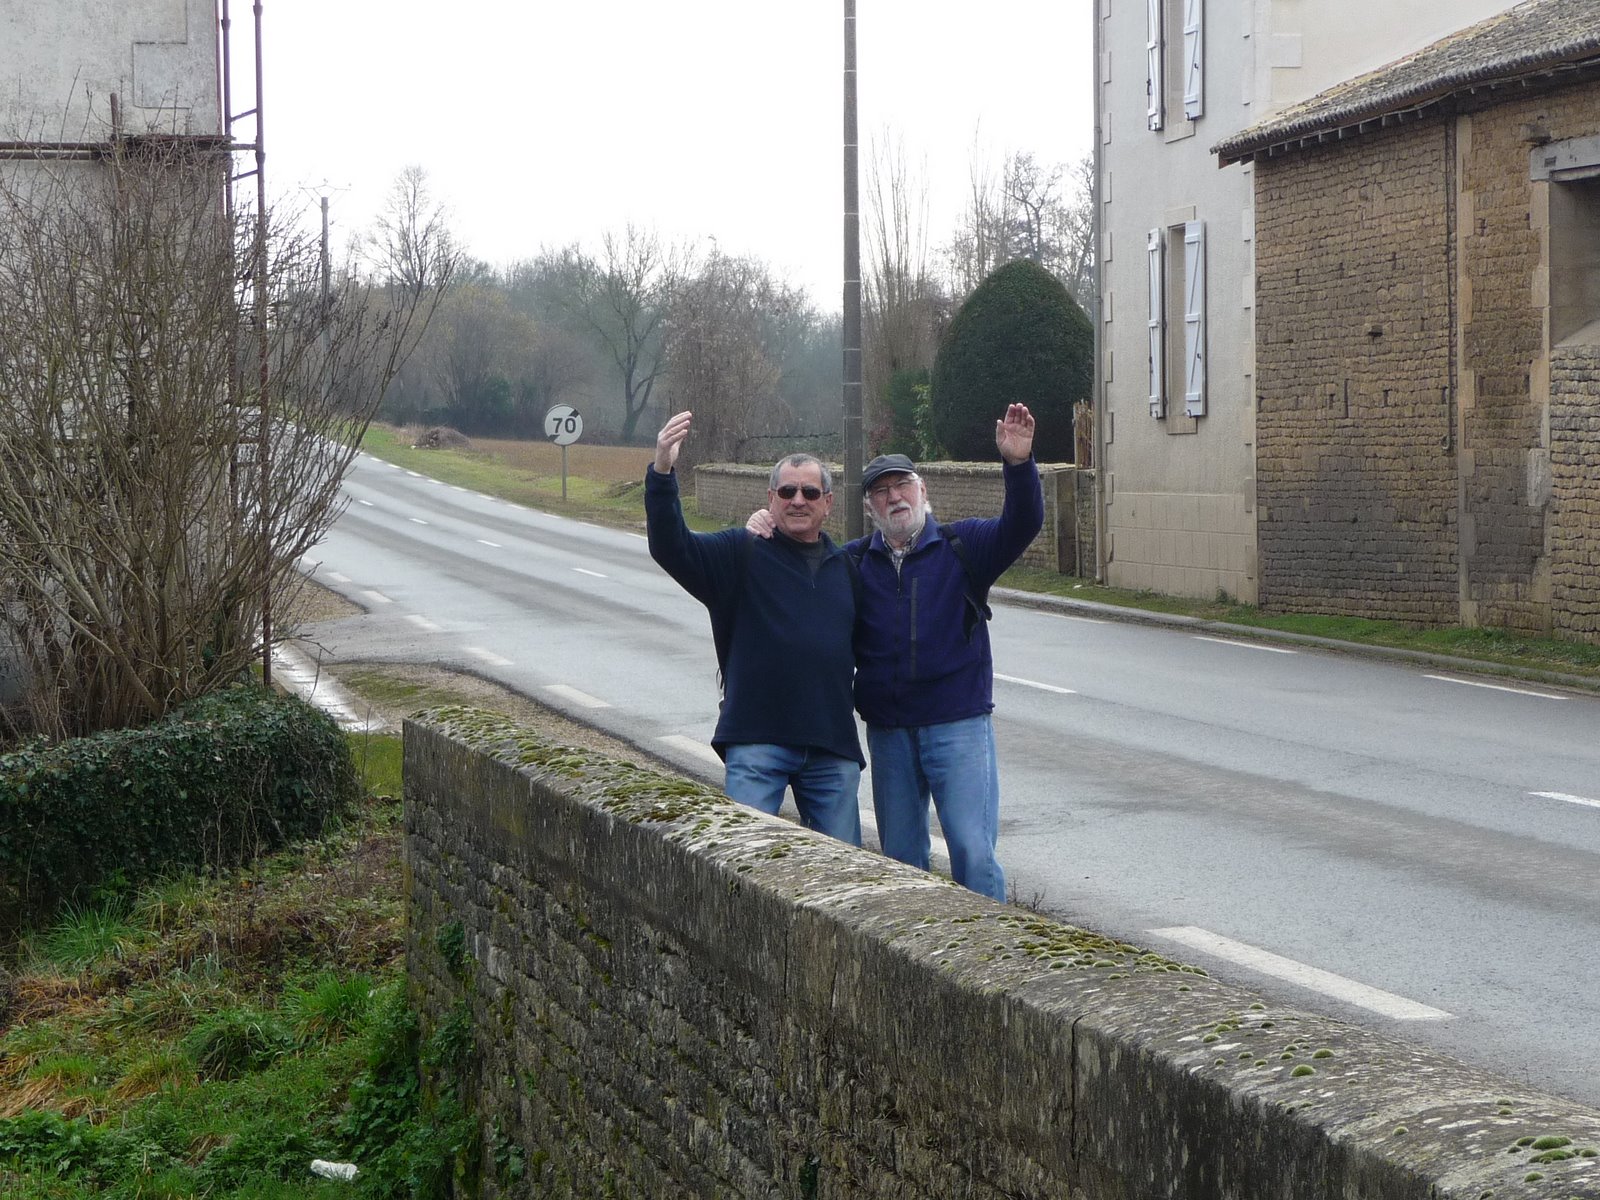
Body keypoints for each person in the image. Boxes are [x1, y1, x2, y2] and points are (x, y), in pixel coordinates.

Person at [748, 404, 1043, 899]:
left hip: (957, 724)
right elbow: (801, 564)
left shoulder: (964, 546)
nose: (894, 497)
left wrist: (1018, 464)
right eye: (881, 492)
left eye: (903, 485)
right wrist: (766, 527)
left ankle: (987, 944)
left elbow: (1023, 523)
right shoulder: (853, 563)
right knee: (901, 862)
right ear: (870, 508)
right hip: (889, 734)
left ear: (923, 491)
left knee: (972, 850)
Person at [644, 409, 863, 845]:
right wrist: (663, 471)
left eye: (809, 492)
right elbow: (671, 546)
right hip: (756, 740)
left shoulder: (849, 568)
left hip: (831, 745)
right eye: (786, 491)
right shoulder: (739, 553)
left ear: (828, 503)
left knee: (846, 867)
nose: (797, 500)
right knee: (745, 858)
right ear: (770, 498)